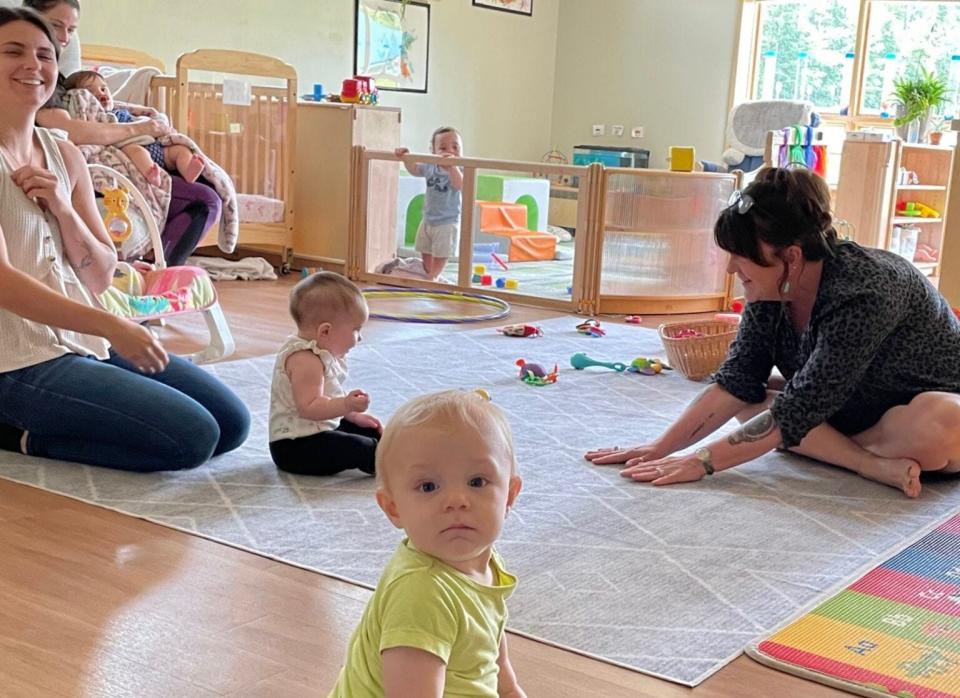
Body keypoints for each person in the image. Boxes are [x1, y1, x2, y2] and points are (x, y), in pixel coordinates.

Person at [585, 166, 960, 498]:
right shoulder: (772, 290)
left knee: (940, 423)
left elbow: (801, 406)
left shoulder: (867, 289)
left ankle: (834, 450)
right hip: (846, 411)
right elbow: (737, 383)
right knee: (749, 401)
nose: (731, 268)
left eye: (740, 255)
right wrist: (658, 448)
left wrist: (703, 461)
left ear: (791, 257)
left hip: (914, 411)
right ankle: (865, 461)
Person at [0, 7, 249, 471]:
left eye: (44, 54)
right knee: (192, 438)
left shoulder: (65, 155)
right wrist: (114, 327)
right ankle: (18, 437)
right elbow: (4, 283)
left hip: (81, 336)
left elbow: (99, 272)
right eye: (13, 52)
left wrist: (64, 208)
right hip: (14, 361)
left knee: (232, 425)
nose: (33, 65)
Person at [329, 389, 526, 698]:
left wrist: (511, 690)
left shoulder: (483, 561)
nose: (457, 501)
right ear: (393, 508)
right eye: (428, 486)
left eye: (477, 482)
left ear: (510, 496)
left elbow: (489, 644)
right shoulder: (421, 593)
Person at [25, 0, 221, 267]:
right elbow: (68, 130)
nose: (64, 38)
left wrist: (145, 120)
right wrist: (138, 130)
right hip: (84, 167)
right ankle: (157, 272)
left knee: (203, 185)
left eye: (71, 30)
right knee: (206, 200)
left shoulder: (56, 78)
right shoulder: (37, 76)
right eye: (56, 26)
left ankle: (148, 263)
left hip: (100, 155)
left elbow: (95, 114)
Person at [269, 272, 381, 476]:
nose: (360, 337)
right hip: (295, 447)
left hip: (318, 429)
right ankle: (394, 463)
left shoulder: (321, 352)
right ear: (326, 332)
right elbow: (310, 408)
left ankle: (388, 449)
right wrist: (346, 405)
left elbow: (330, 398)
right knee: (360, 448)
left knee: (370, 432)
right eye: (356, 330)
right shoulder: (304, 360)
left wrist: (353, 416)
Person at [64, 70, 206, 187]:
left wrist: (159, 122)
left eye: (103, 89)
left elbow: (151, 115)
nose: (101, 94)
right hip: (131, 144)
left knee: (179, 150)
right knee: (136, 151)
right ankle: (151, 173)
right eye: (91, 92)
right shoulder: (99, 116)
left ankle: (188, 170)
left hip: (155, 144)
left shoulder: (122, 109)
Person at [381, 127, 463, 282]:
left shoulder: (460, 168)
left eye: (455, 147)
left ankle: (434, 276)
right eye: (443, 148)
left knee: (441, 252)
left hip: (447, 221)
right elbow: (414, 169)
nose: (450, 151)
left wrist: (452, 166)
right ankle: (428, 271)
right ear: (433, 151)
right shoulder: (431, 166)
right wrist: (406, 157)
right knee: (424, 248)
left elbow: (460, 185)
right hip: (428, 218)